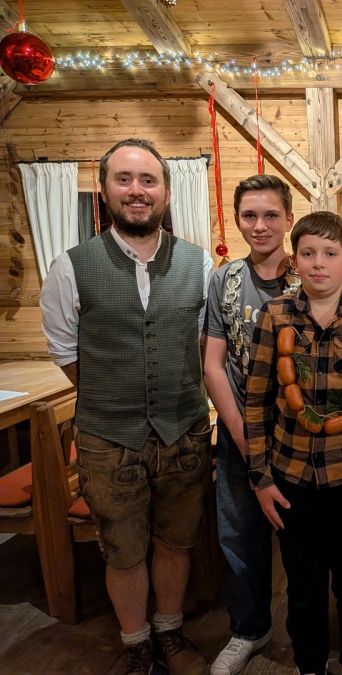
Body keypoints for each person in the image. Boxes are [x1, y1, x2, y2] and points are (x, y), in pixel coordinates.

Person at [40, 138, 214, 675]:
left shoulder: (199, 262)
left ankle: (170, 632)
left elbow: (204, 344)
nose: (137, 191)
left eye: (148, 180)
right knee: (123, 550)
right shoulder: (70, 267)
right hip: (107, 440)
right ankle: (136, 644)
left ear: (166, 192)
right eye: (124, 179)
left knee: (176, 542)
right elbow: (64, 350)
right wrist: (115, 395)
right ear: (104, 190)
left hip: (184, 431)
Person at [244, 211, 342, 675]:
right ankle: (309, 665)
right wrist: (260, 478)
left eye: (330, 254)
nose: (319, 263)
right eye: (308, 253)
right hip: (291, 478)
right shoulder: (274, 316)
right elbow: (256, 402)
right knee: (303, 587)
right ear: (294, 261)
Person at [203, 174, 301, 674]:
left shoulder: (309, 272)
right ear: (237, 220)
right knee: (240, 535)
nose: (259, 226)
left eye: (270, 215)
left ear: (288, 219)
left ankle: (307, 639)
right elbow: (213, 364)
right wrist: (244, 439)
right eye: (249, 216)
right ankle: (248, 628)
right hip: (240, 430)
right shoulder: (224, 280)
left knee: (300, 539)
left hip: (301, 436)